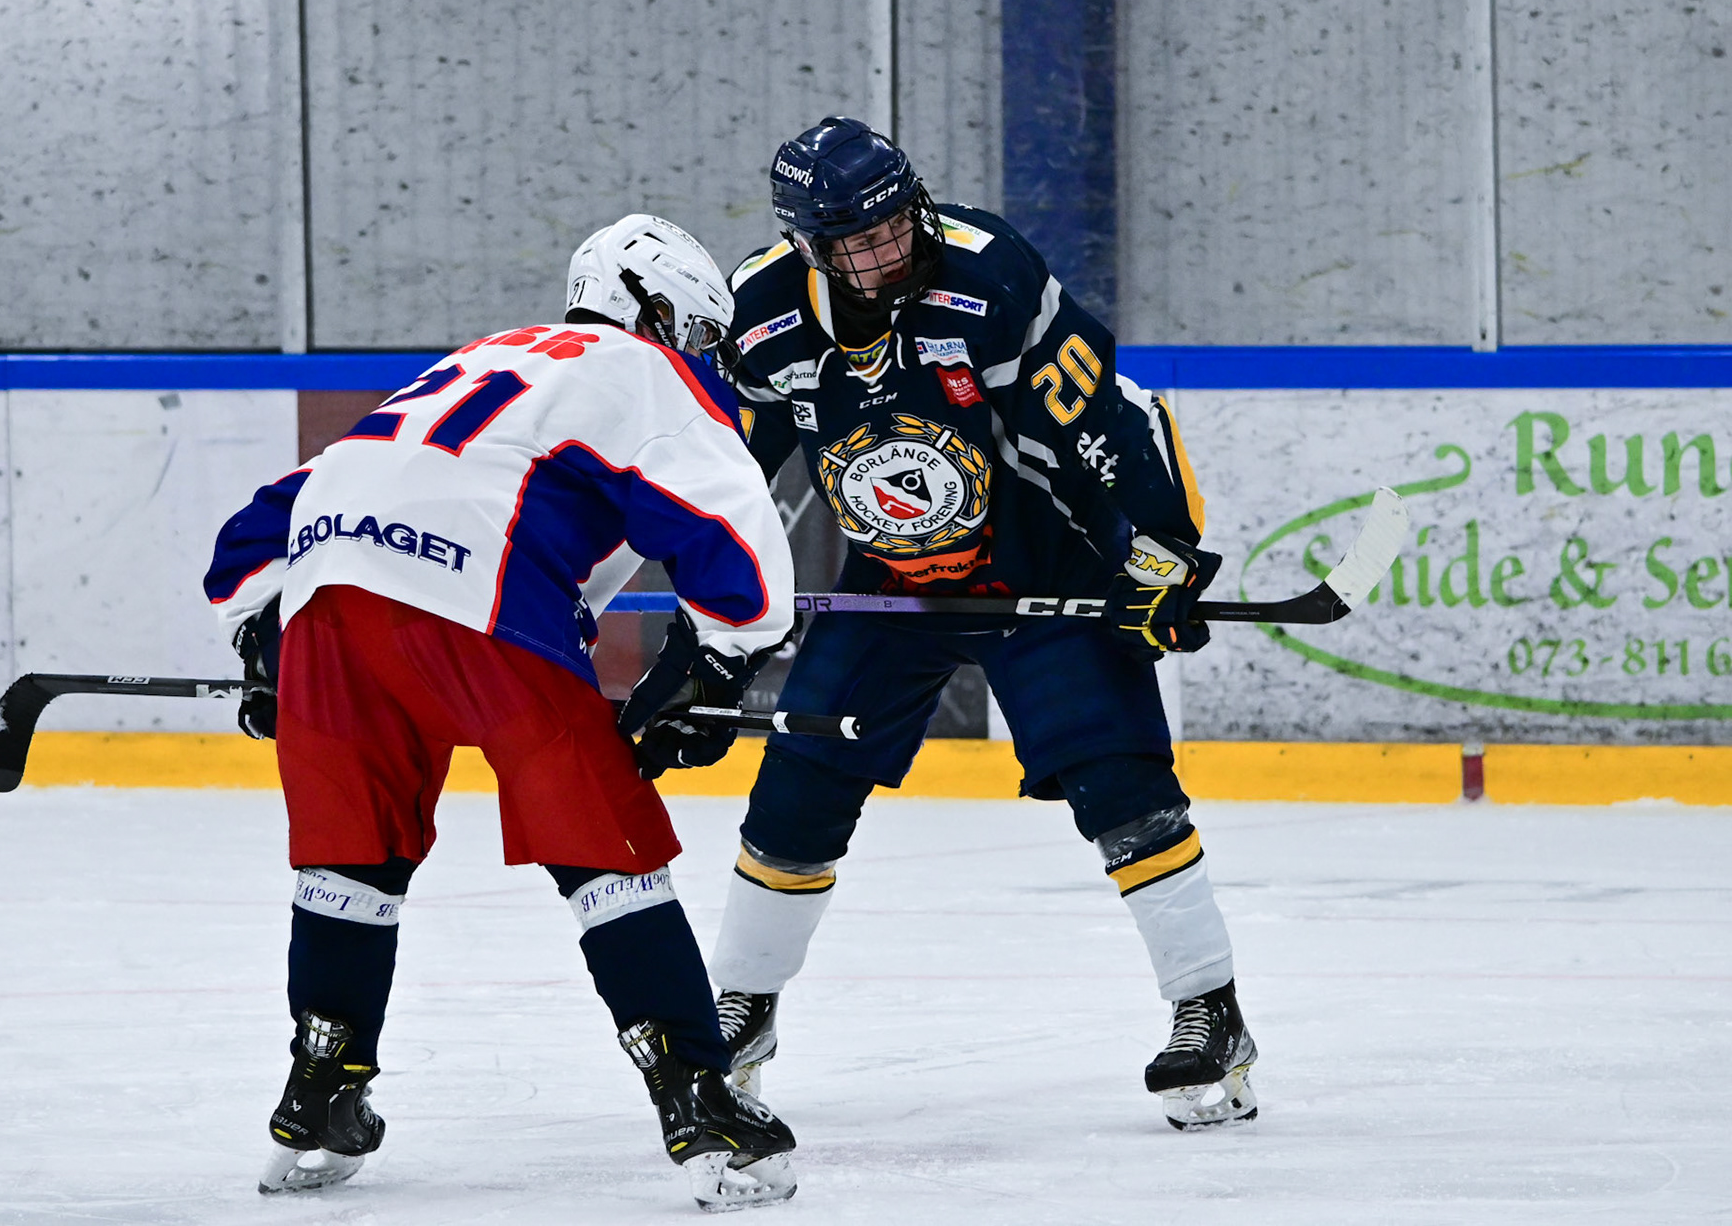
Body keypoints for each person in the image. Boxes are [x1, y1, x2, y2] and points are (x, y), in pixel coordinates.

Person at [202, 215, 802, 1210]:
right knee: (602, 842)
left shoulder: (477, 361)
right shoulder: (638, 367)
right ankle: (701, 1099)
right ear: (651, 311)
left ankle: (320, 1091)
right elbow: (720, 514)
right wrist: (723, 654)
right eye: (695, 332)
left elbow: (262, 523)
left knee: (350, 852)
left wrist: (260, 629)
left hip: (326, 595)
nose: (701, 355)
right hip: (480, 593)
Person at [706, 118, 1258, 1131]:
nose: (886, 249)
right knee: (797, 787)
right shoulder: (761, 311)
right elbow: (731, 473)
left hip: (1039, 562)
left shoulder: (988, 274)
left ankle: (1209, 1012)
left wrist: (1158, 553)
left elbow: (1104, 424)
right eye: (856, 240)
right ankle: (741, 1008)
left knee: (1122, 786)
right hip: (893, 581)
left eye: (893, 224)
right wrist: (709, 602)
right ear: (806, 244)